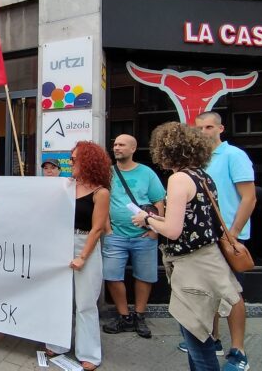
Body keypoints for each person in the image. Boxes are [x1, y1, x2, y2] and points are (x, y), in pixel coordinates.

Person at [132, 122, 242, 371]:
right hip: (209, 261)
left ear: (166, 150)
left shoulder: (179, 179)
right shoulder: (203, 177)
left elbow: (173, 230)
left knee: (198, 345)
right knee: (200, 338)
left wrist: (147, 219)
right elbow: (192, 222)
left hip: (193, 268)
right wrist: (157, 219)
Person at [194, 111, 256, 370]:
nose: (204, 132)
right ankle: (215, 340)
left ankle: (238, 349)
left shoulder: (234, 155)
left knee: (232, 294)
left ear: (220, 129)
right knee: (208, 293)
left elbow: (249, 197)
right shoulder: (198, 158)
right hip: (204, 237)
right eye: (199, 128)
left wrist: (233, 233)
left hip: (227, 237)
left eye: (209, 127)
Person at [45, 141, 110, 371]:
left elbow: (97, 229)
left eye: (74, 159)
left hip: (85, 245)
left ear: (88, 161)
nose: (70, 162)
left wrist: (82, 256)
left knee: (85, 302)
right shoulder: (66, 185)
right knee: (59, 298)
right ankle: (57, 343)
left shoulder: (101, 192)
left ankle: (89, 353)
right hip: (61, 244)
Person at [102, 134, 166, 339]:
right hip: (115, 236)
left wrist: (155, 230)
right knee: (111, 276)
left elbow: (158, 202)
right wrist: (107, 229)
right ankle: (124, 316)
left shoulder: (146, 173)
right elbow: (102, 201)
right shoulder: (107, 173)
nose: (116, 147)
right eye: (115, 144)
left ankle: (139, 315)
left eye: (121, 145)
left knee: (144, 277)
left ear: (133, 148)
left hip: (144, 235)